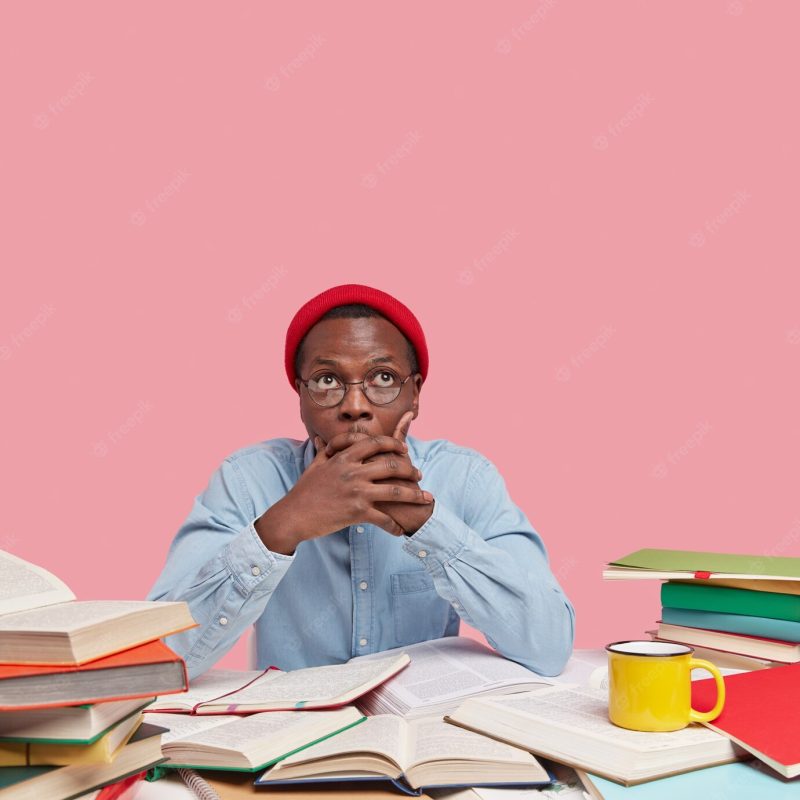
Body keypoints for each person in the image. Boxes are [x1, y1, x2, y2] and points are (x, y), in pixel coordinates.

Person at [148, 284, 575, 679]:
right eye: (328, 380)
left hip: (422, 749)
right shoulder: (245, 481)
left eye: (383, 378)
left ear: (415, 394)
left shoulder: (467, 479)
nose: (355, 406)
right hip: (293, 753)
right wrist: (283, 526)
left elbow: (549, 646)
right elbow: (158, 658)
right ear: (301, 397)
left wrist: (429, 525)